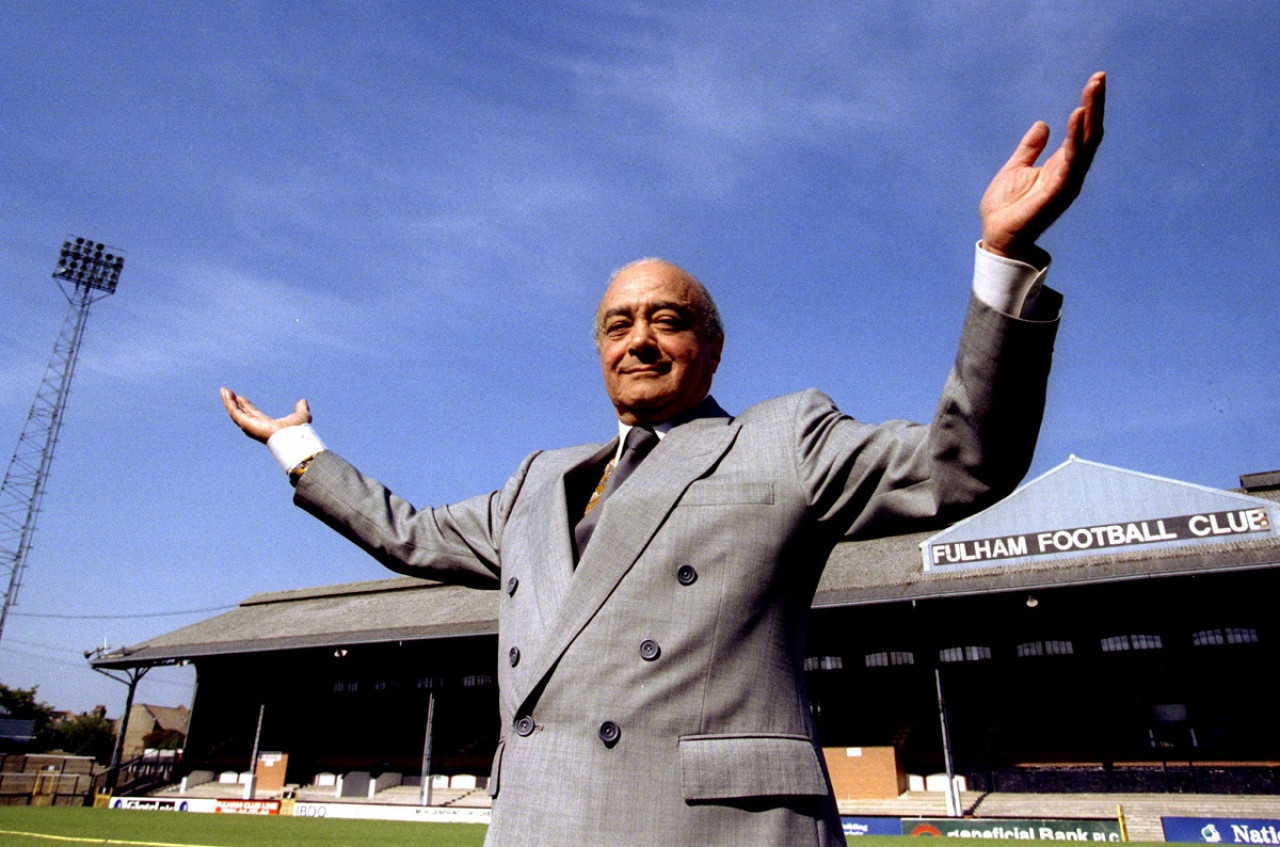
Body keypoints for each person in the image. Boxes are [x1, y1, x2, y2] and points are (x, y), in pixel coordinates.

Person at [221, 72, 1105, 847]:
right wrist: (297, 445)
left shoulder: (783, 439)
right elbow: (408, 533)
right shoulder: (539, 481)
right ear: (598, 351)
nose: (639, 340)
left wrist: (1004, 257)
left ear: (713, 350)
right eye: (618, 324)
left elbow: (964, 462)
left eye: (667, 320)